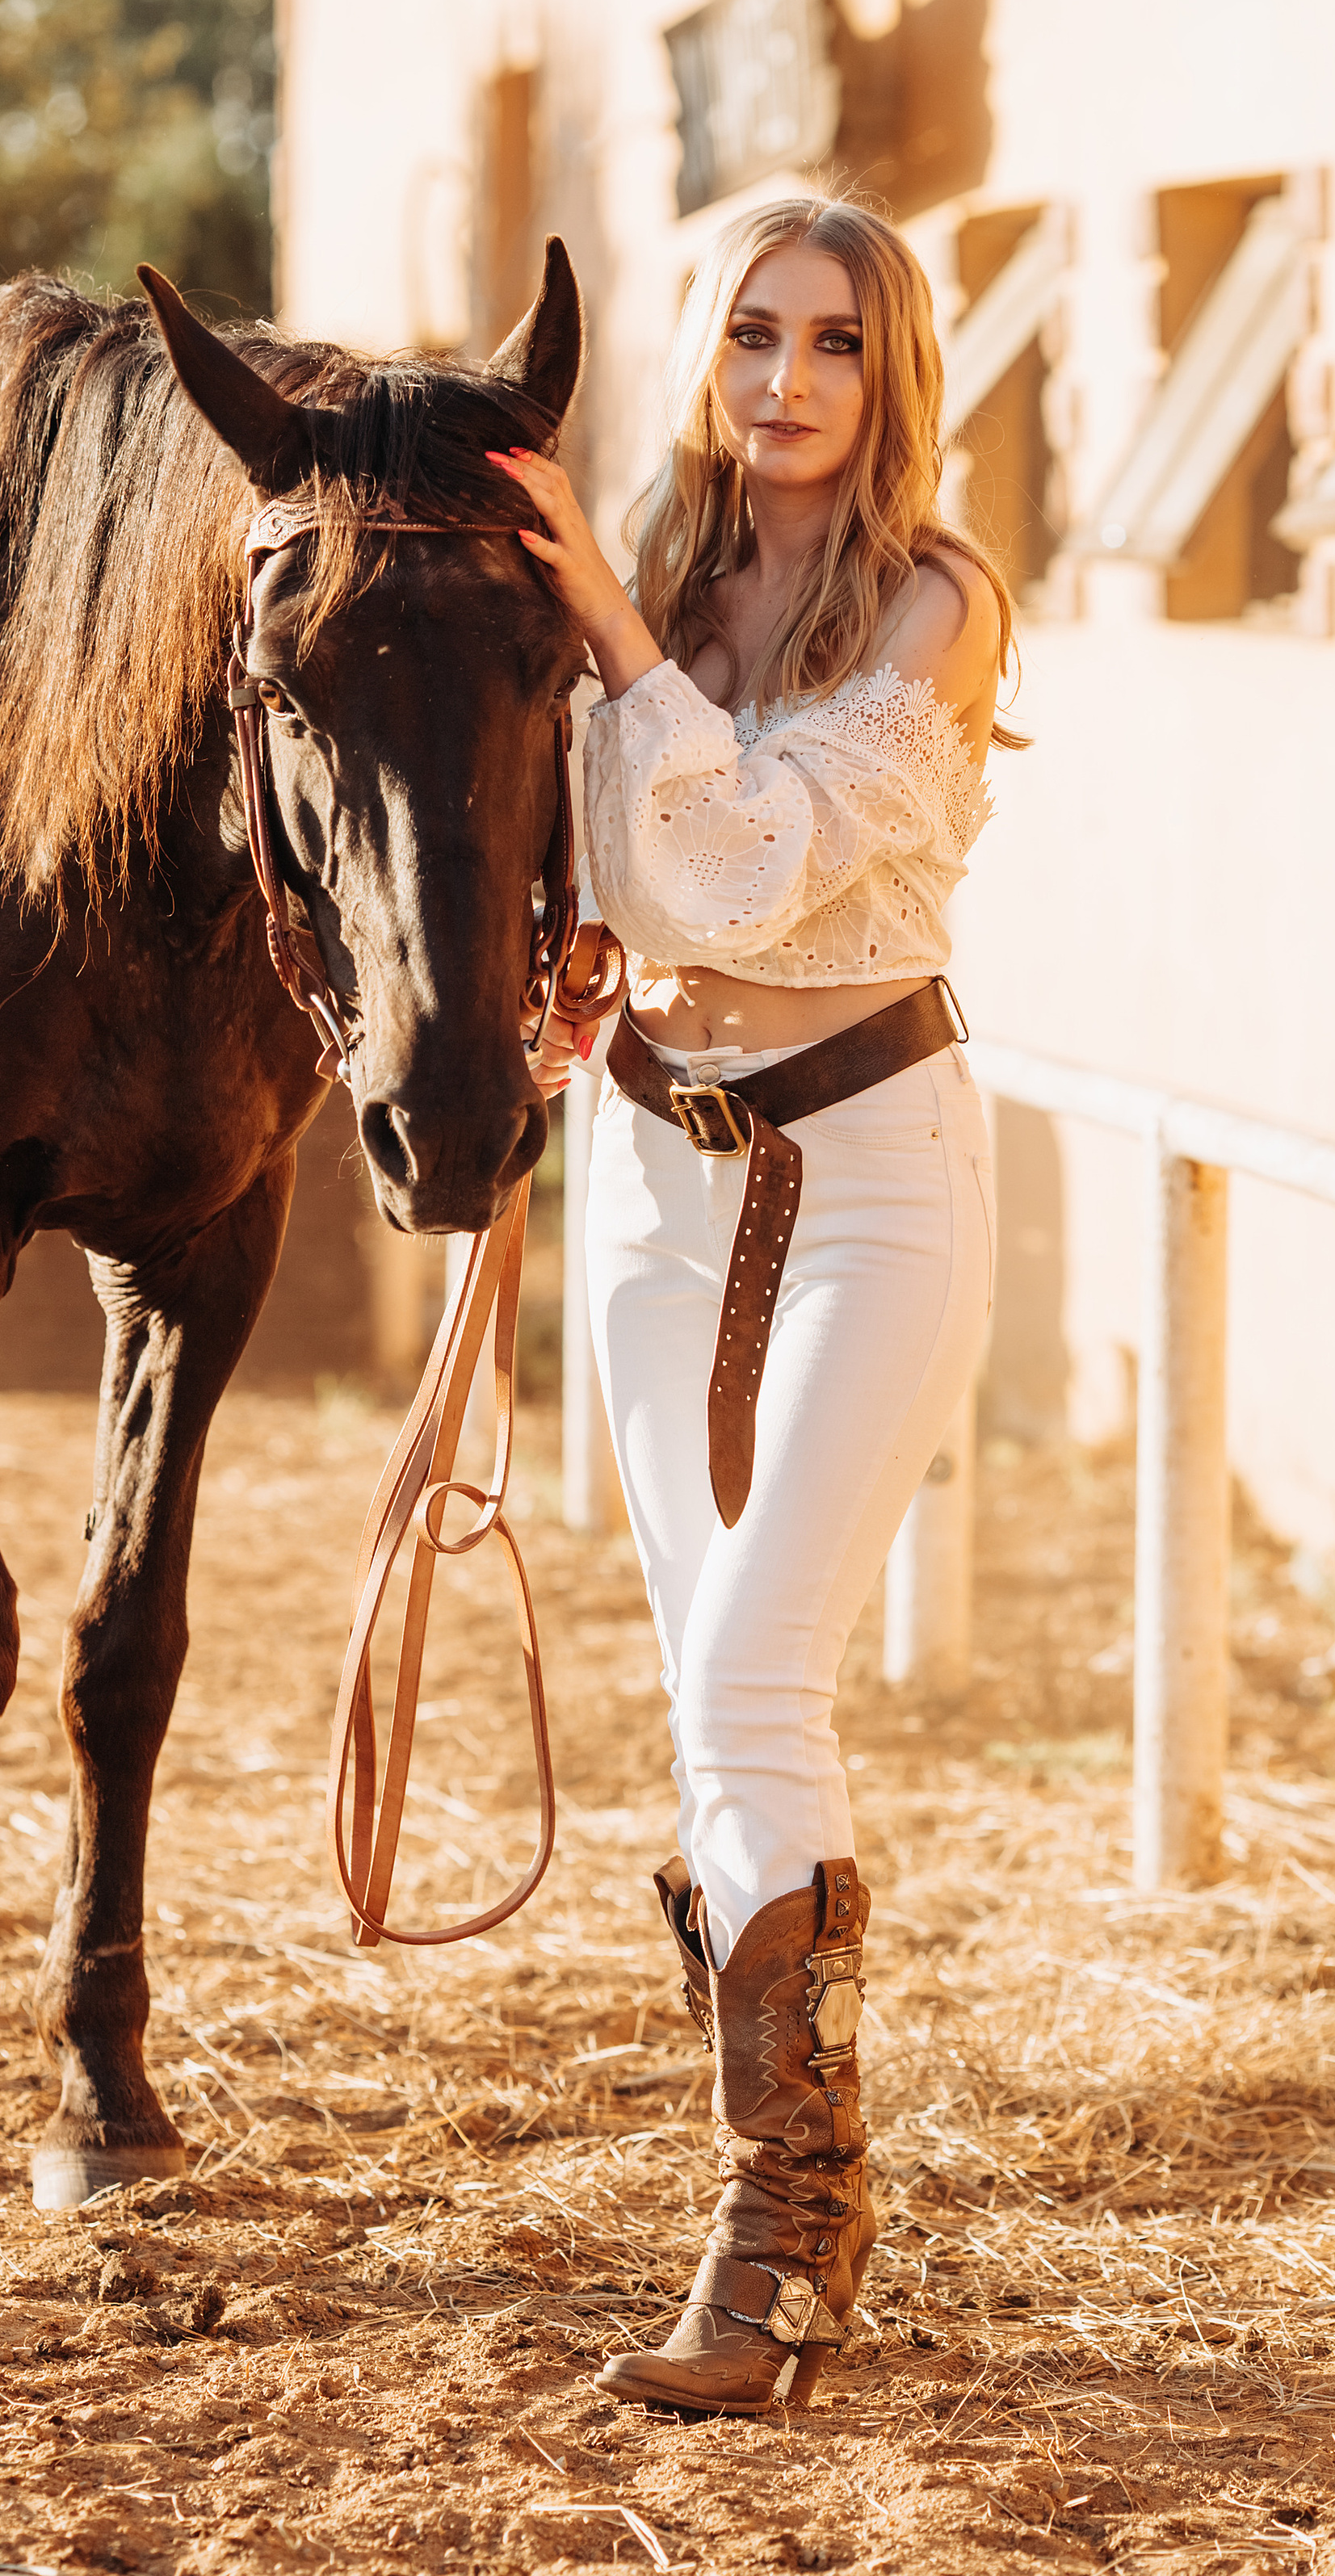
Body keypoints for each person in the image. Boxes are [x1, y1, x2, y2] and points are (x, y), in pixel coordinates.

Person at [493, 193, 1017, 2416]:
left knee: (749, 1680)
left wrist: (604, 618)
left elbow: (731, 858)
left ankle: (781, 2246)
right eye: (749, 337)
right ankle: (805, 2210)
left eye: (832, 344)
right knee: (715, 1699)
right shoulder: (668, 571)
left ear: (889, 374)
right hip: (652, 1175)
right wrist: (553, 982)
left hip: (874, 1170)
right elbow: (597, 871)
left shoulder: (935, 600)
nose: (787, 382)